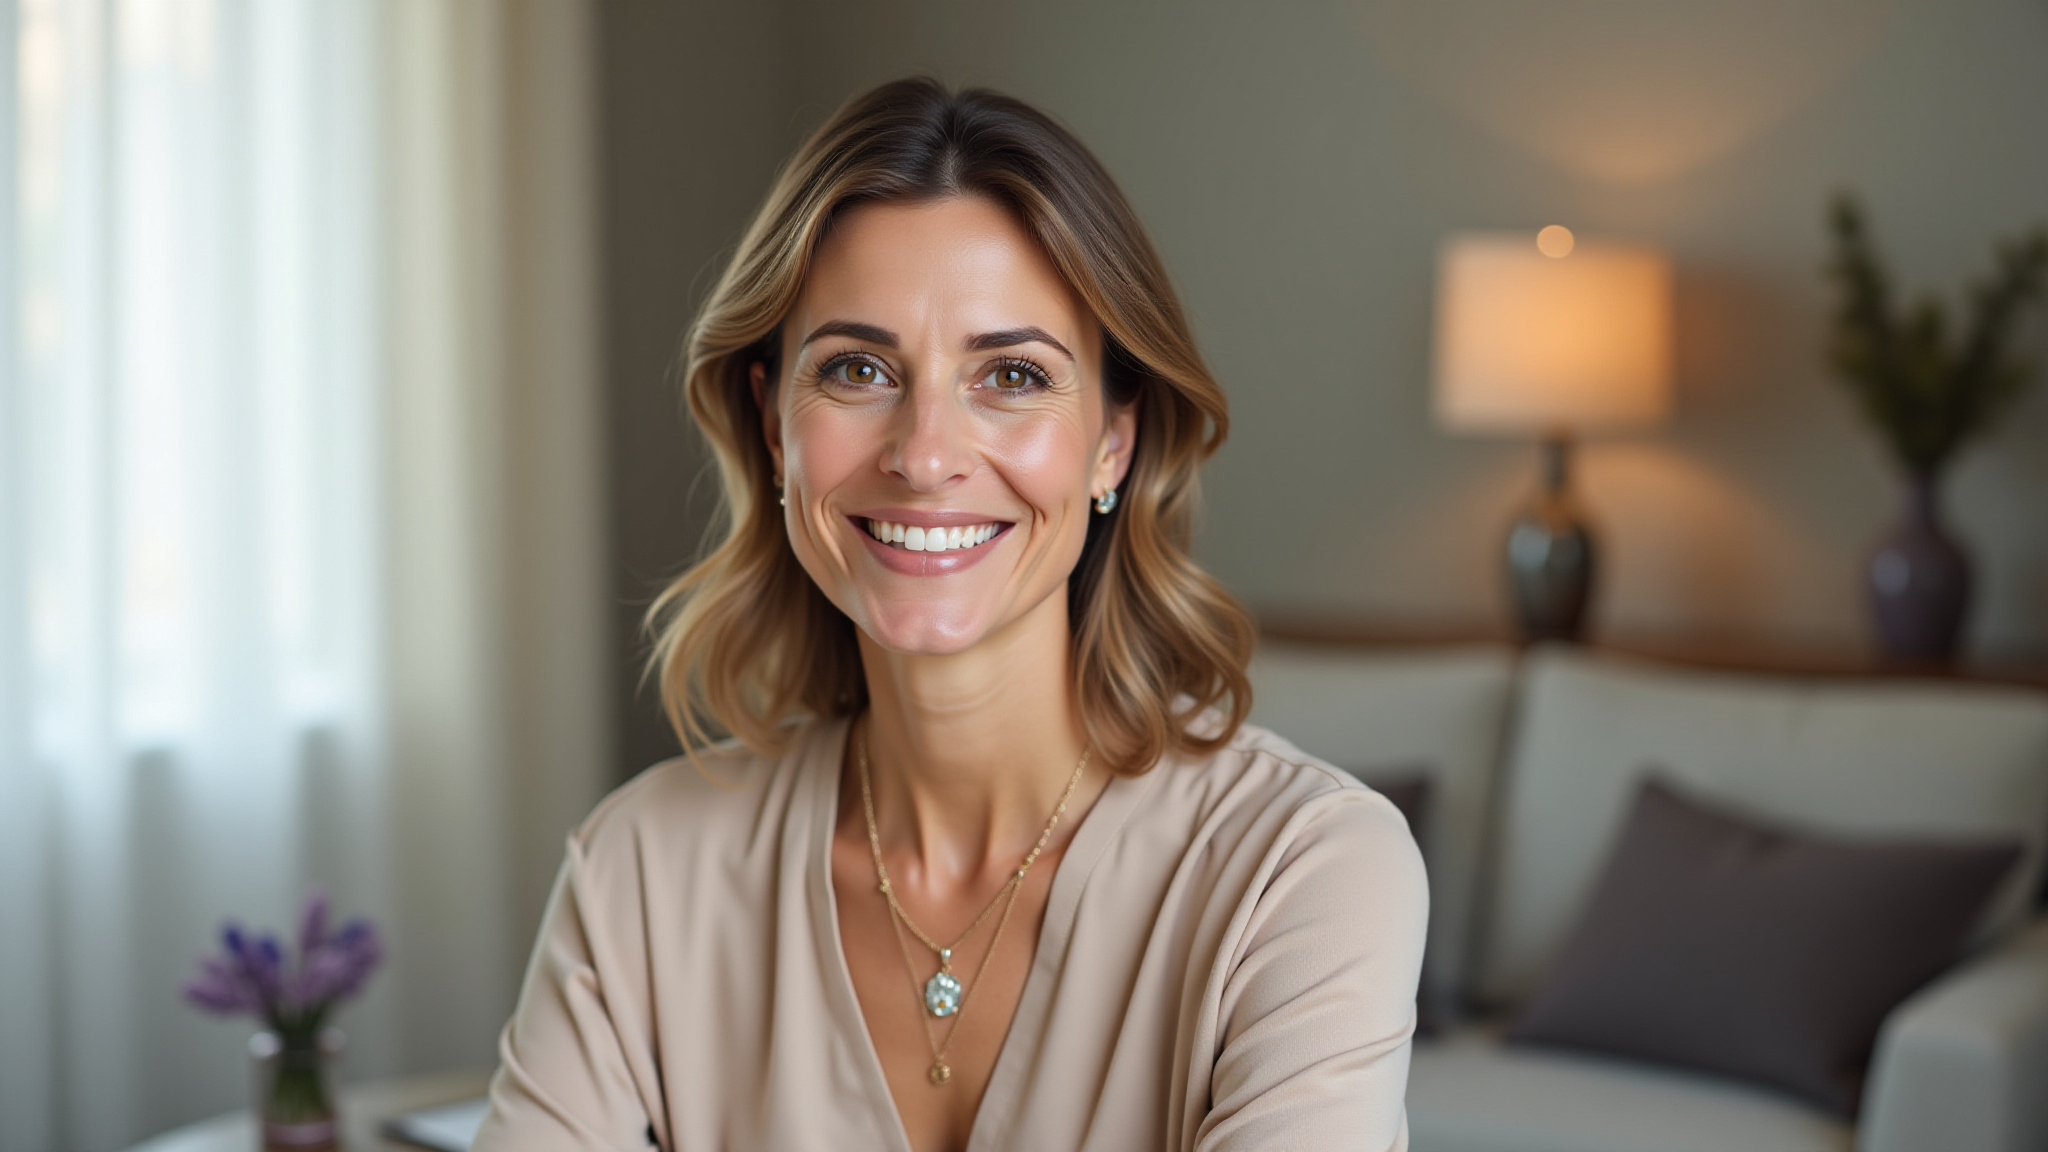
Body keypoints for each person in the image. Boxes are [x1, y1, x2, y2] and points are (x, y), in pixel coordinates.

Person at [474, 77, 1426, 1152]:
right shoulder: (640, 871)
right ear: (775, 429)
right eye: (857, 369)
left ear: (1113, 439)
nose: (924, 455)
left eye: (1012, 375)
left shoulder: (1302, 870)